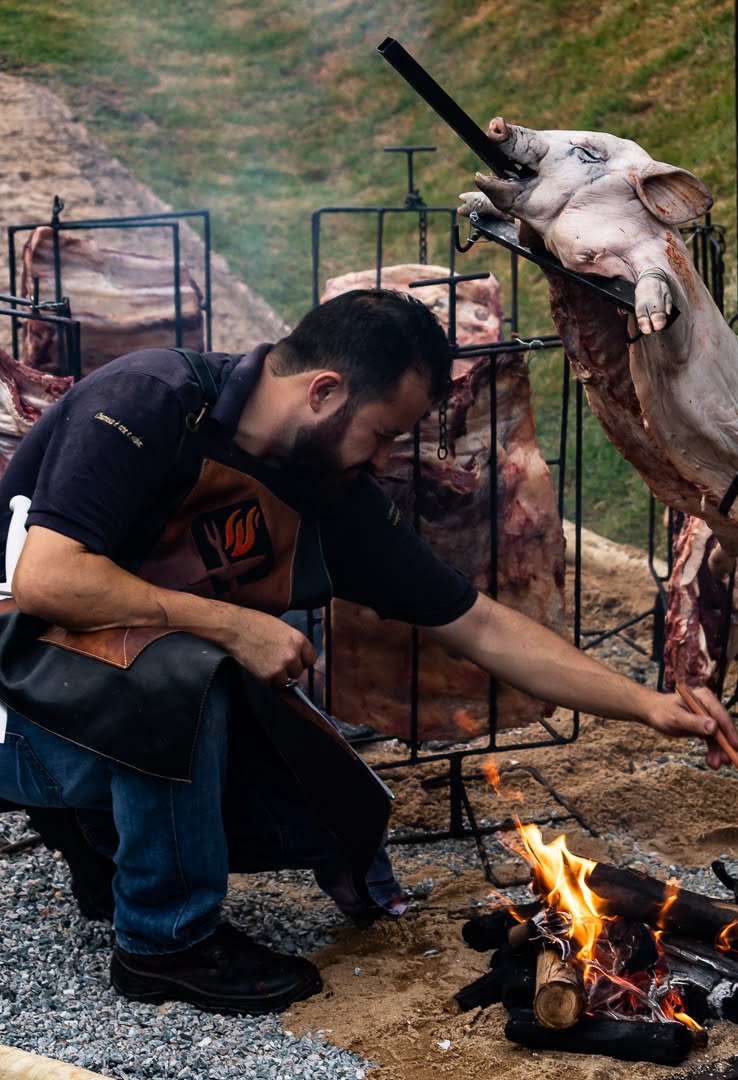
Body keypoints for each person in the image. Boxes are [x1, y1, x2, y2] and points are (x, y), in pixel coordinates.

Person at [0, 288, 735, 1017]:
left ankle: (102, 837)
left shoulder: (327, 491)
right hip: (21, 701)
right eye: (384, 433)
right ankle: (164, 947)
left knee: (332, 822)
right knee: (184, 667)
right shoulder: (151, 399)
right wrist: (233, 624)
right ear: (323, 391)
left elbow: (476, 624)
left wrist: (650, 705)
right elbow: (48, 579)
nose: (385, 459)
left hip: (110, 715)